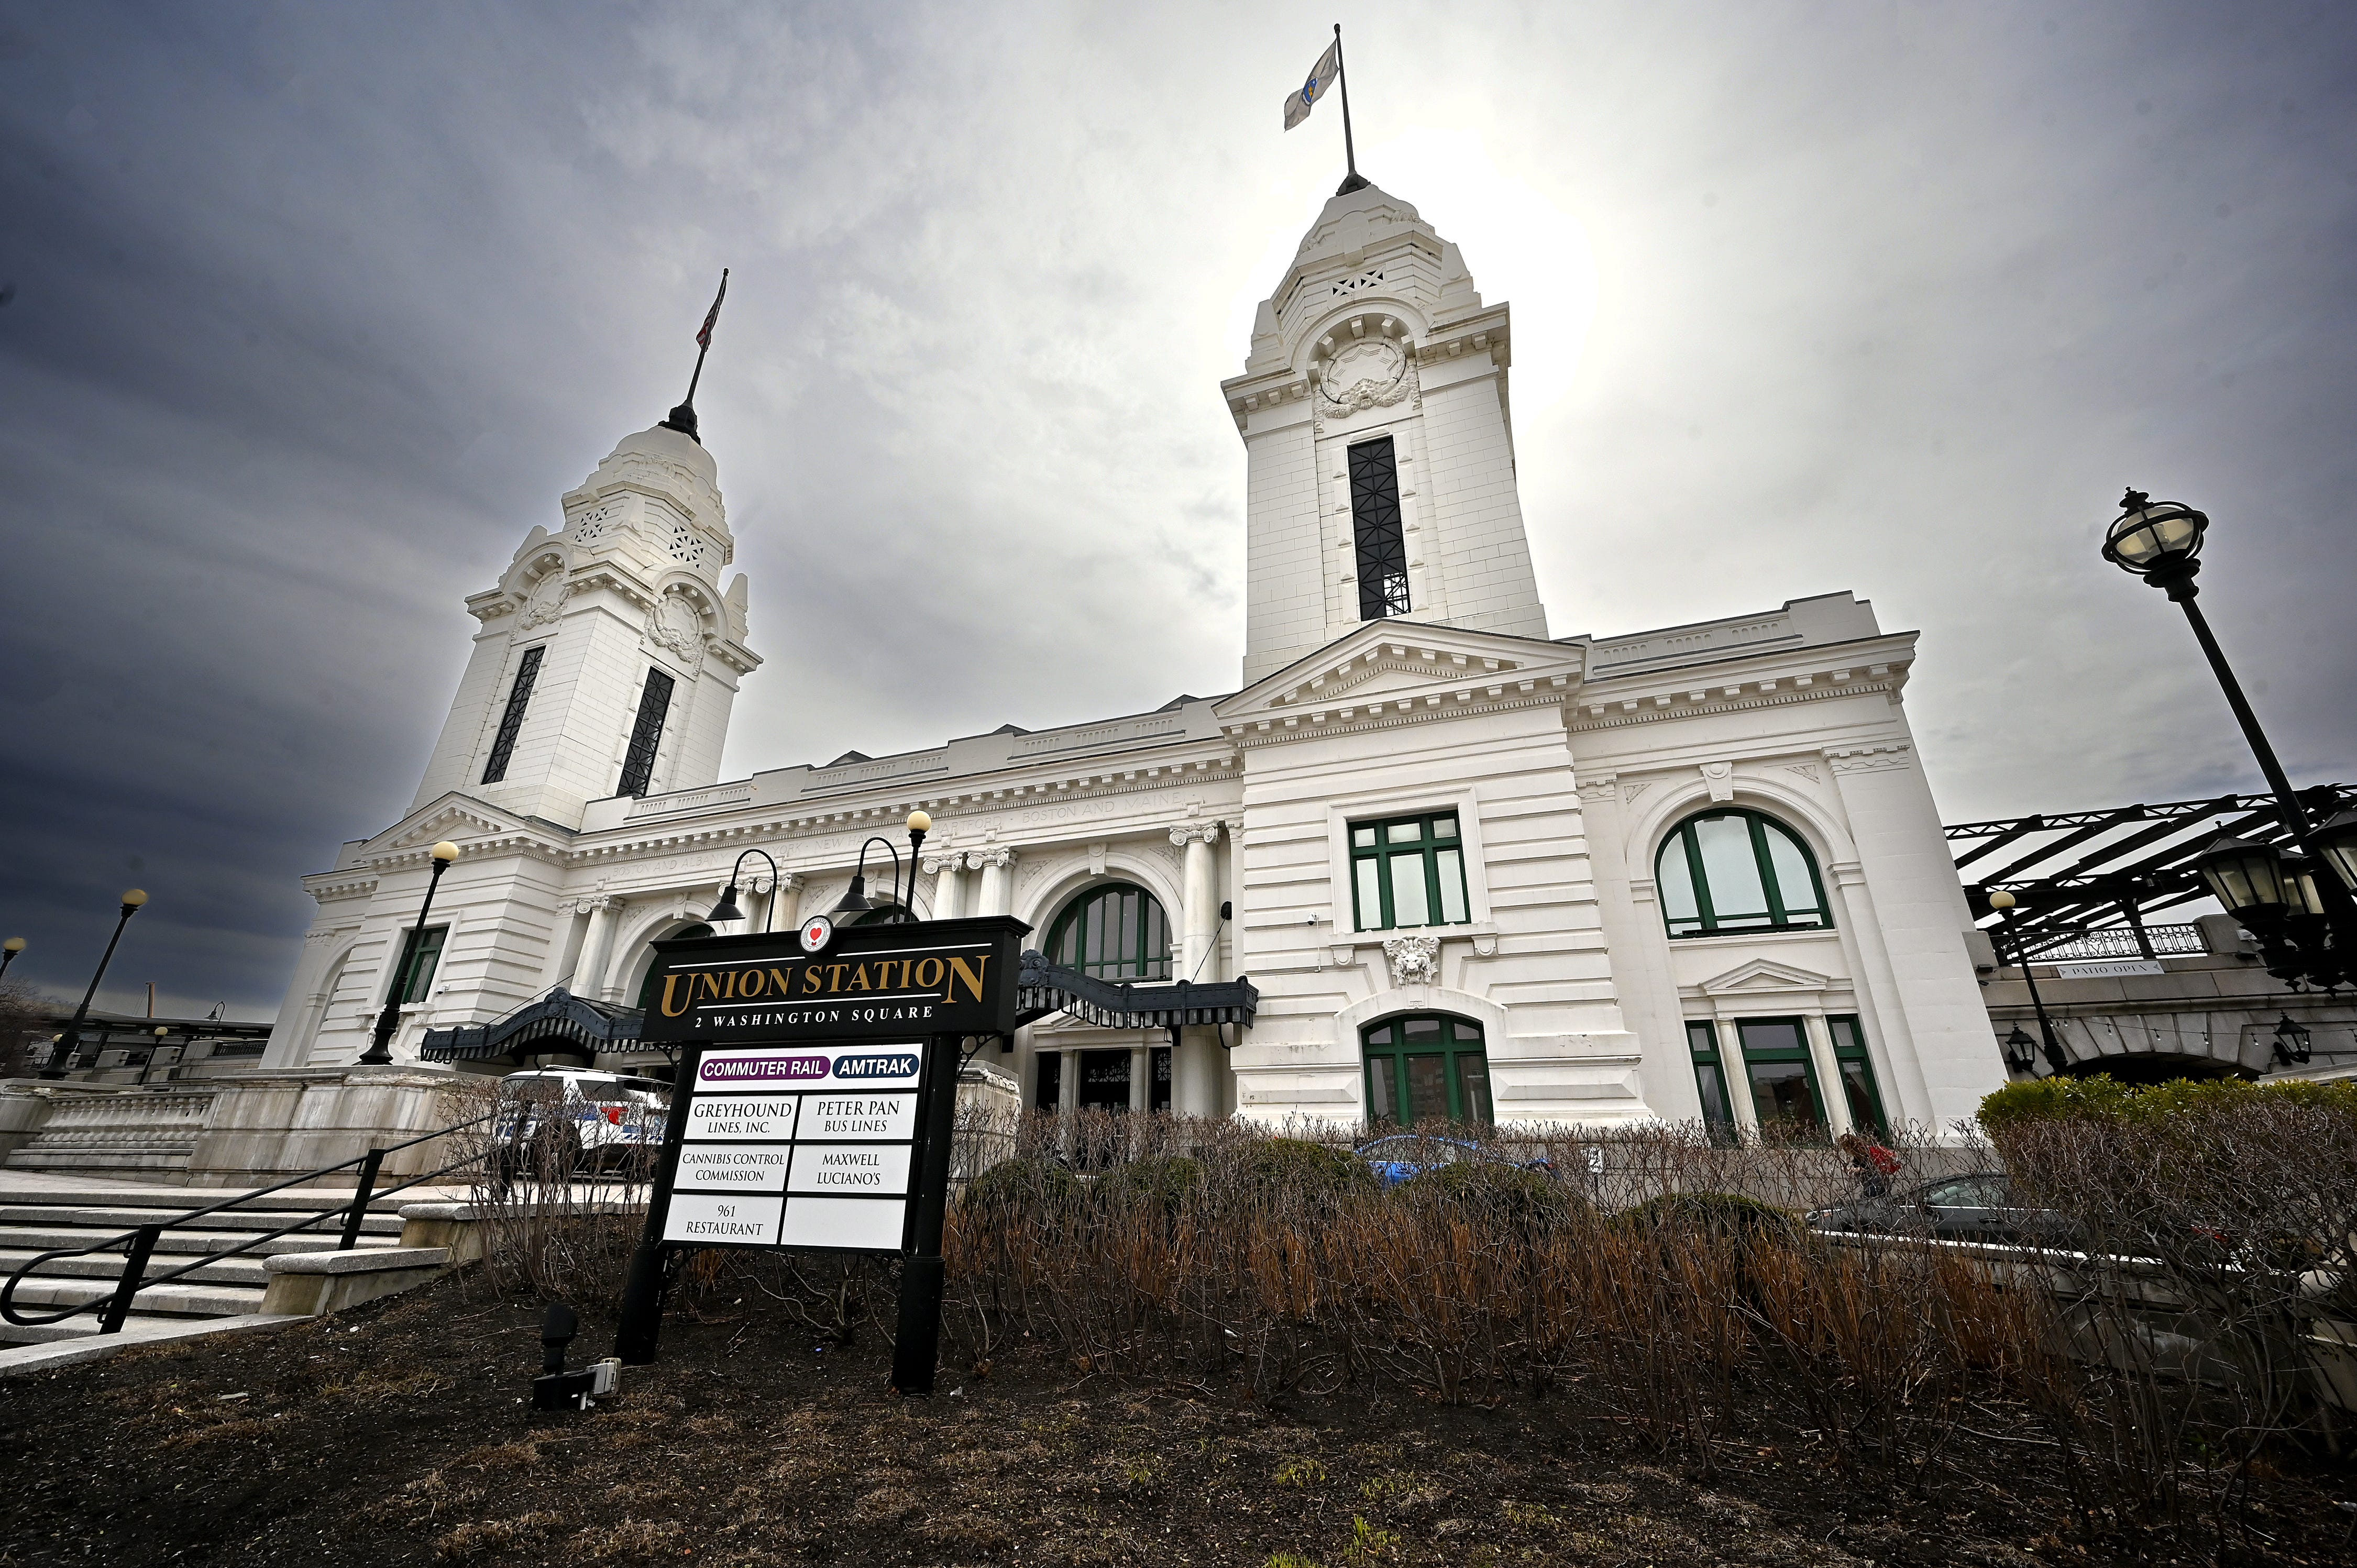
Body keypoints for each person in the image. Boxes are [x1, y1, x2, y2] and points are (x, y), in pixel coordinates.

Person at [1838, 1131, 1900, 1200]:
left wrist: (1852, 1170)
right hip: (1880, 1180)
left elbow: (1868, 1168)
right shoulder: (1866, 1149)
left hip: (1874, 1183)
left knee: (1869, 1201)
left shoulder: (1862, 1154)